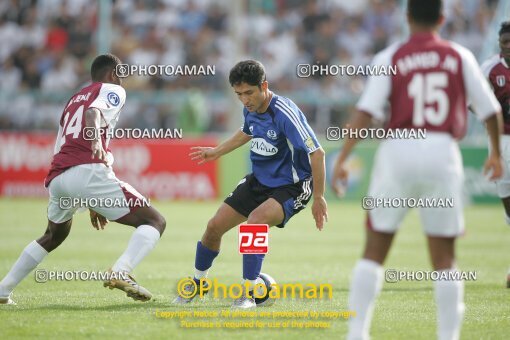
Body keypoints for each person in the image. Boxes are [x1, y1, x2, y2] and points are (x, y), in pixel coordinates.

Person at [331, 1, 503, 339]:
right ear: (442, 18)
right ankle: (448, 336)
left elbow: (365, 112)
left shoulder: (391, 57)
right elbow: (491, 110)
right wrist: (496, 153)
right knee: (445, 257)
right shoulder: (459, 56)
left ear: (406, 17)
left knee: (374, 250)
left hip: (399, 149)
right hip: (443, 152)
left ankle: (357, 333)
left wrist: (341, 159)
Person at [0, 54, 166, 305]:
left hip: (59, 177)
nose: (123, 81)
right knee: (155, 221)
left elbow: (65, 140)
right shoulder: (113, 90)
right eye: (121, 75)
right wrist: (96, 140)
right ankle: (121, 272)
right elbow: (93, 113)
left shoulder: (72, 100)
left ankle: (3, 290)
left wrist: (90, 199)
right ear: (112, 74)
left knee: (52, 236)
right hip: (87, 169)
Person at [173, 60, 328, 309]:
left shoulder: (284, 113)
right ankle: (198, 285)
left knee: (254, 222)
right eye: (239, 95)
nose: (245, 100)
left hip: (292, 186)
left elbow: (317, 153)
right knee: (214, 227)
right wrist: (217, 152)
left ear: (264, 86)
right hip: (259, 180)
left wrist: (318, 197)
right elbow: (247, 131)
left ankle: (247, 295)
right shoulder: (251, 109)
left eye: (249, 93)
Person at [480, 21, 510, 289]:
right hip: (502, 141)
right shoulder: (490, 67)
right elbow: (472, 99)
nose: (508, 48)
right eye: (504, 43)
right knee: (508, 205)